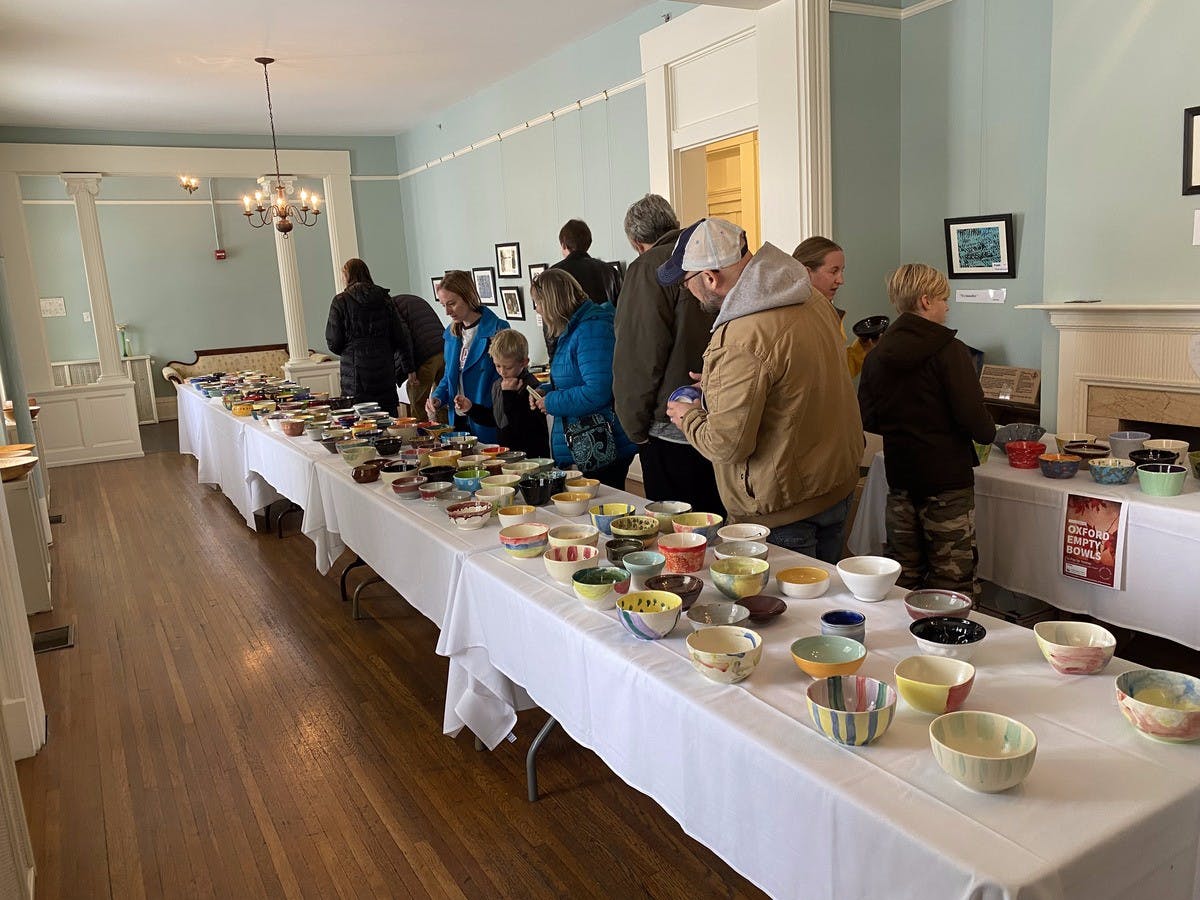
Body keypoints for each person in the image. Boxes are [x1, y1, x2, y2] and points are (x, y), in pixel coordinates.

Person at [662, 218, 864, 564]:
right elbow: (792, 383)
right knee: (825, 607)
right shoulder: (810, 298)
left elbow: (726, 444)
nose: (689, 294)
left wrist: (690, 416)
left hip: (785, 510)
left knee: (790, 615)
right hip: (835, 484)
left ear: (709, 277)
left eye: (687, 284)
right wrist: (717, 386)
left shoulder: (741, 336)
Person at [857, 263, 996, 599]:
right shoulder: (950, 351)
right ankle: (949, 648)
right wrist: (987, 431)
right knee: (952, 581)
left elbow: (867, 417)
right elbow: (977, 424)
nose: (948, 306)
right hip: (947, 482)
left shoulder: (876, 356)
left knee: (904, 575)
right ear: (925, 301)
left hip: (901, 479)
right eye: (943, 299)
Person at [612, 194, 723, 515]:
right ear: (674, 224)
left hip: (671, 420)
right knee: (712, 516)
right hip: (721, 410)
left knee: (677, 526)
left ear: (636, 242)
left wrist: (634, 426)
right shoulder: (709, 255)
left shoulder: (647, 268)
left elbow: (639, 356)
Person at [528, 270, 636, 488]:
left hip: (602, 439)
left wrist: (551, 402)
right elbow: (576, 379)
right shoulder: (578, 328)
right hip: (591, 437)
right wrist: (547, 390)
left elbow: (598, 391)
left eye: (537, 302)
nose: (537, 309)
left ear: (551, 303)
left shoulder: (590, 329)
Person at [426, 270, 508, 443]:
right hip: (458, 420)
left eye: (452, 304)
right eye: (443, 305)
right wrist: (437, 397)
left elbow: (506, 377)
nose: (448, 311)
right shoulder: (451, 334)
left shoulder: (498, 328)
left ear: (468, 297)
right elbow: (449, 377)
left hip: (487, 418)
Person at [325, 258, 412, 416]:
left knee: (359, 422)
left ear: (347, 275)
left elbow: (334, 342)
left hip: (355, 373)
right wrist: (408, 368)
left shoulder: (340, 301)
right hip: (384, 369)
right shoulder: (385, 298)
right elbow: (399, 335)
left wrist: (351, 349)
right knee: (388, 419)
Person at [792, 236, 877, 378]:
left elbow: (838, 372)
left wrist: (861, 350)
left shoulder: (831, 314)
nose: (840, 280)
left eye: (842, 271)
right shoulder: (790, 320)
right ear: (806, 273)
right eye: (833, 271)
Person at [461, 329, 551, 458]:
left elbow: (523, 427)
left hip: (532, 456)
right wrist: (471, 408)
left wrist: (509, 395)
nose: (502, 372)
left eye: (508, 367)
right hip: (507, 454)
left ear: (524, 363)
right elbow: (497, 419)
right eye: (497, 366)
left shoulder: (532, 387)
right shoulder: (498, 385)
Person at [391, 293, 446, 420]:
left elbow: (403, 339)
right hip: (443, 349)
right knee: (442, 401)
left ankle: (421, 437)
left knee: (418, 404)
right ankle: (446, 434)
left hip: (425, 357)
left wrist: (410, 369)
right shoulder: (409, 299)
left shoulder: (390, 308)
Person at [549, 218, 621, 305]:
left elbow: (550, 312)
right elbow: (621, 309)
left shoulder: (554, 273)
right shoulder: (610, 271)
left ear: (564, 245)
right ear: (588, 243)